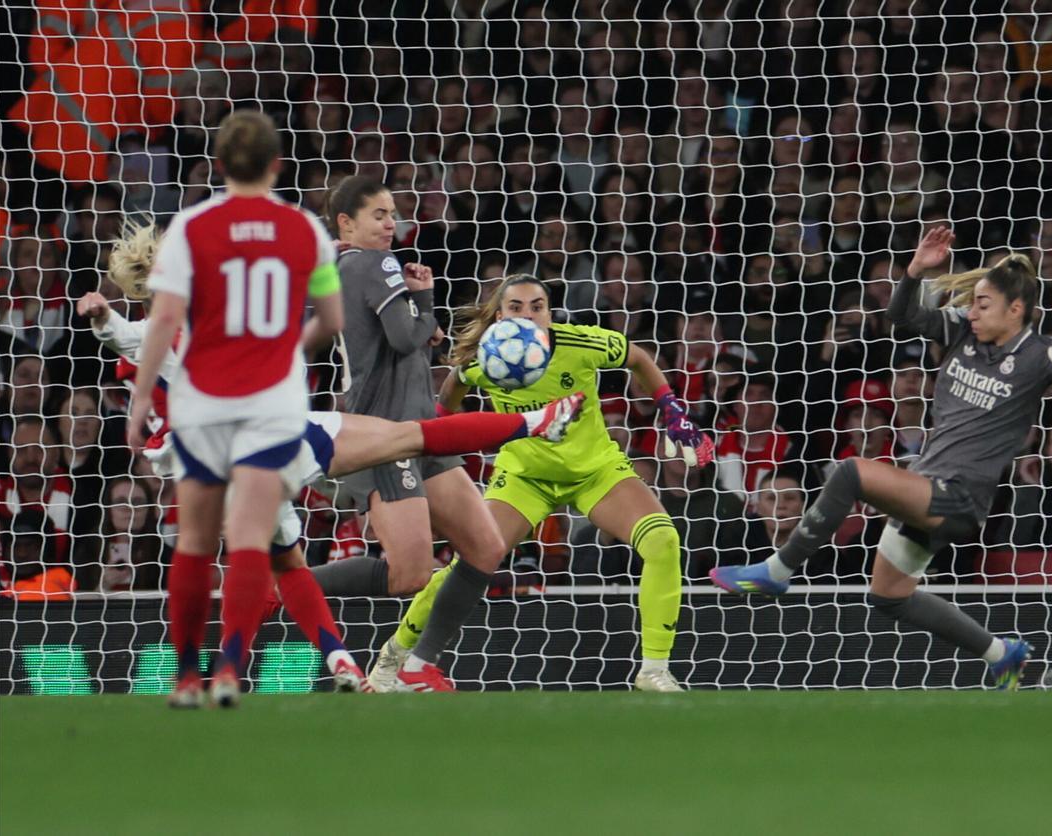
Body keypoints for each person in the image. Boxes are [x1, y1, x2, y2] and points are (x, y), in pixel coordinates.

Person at [77, 219, 583, 614]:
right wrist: (102, 315)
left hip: (285, 433)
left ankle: (342, 648)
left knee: (411, 442)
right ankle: (537, 423)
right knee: (408, 446)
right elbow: (120, 335)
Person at [711, 226, 1052, 689]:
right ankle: (1001, 653)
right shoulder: (964, 331)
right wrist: (915, 270)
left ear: (1016, 309)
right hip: (927, 487)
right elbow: (901, 314)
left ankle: (775, 571)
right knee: (889, 596)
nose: (972, 309)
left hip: (959, 497)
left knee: (850, 472)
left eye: (983, 303)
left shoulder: (1045, 355)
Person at [369, 274, 715, 693]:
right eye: (516, 307)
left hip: (594, 471)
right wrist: (439, 430)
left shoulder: (581, 343)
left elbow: (638, 356)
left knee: (662, 539)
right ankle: (393, 656)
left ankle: (654, 670)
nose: (528, 315)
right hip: (525, 477)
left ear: (550, 314)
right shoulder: (489, 359)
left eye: (537, 306)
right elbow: (456, 382)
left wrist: (672, 410)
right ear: (499, 316)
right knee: (471, 563)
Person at [126, 110, 367, 708]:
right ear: (277, 164)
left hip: (204, 402)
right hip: (271, 403)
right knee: (255, 540)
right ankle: (230, 668)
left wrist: (139, 396)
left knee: (196, 542)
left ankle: (186, 679)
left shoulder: (191, 226)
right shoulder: (305, 228)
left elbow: (164, 318)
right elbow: (332, 323)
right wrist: (286, 346)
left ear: (218, 163)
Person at [324, 176, 545, 701]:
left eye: (392, 214)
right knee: (409, 575)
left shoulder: (340, 269)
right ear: (346, 224)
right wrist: (423, 302)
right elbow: (407, 335)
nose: (389, 223)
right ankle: (280, 583)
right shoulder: (373, 264)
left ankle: (417, 666)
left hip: (420, 432)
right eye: (377, 215)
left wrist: (417, 313)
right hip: (387, 436)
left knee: (486, 546)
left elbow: (399, 341)